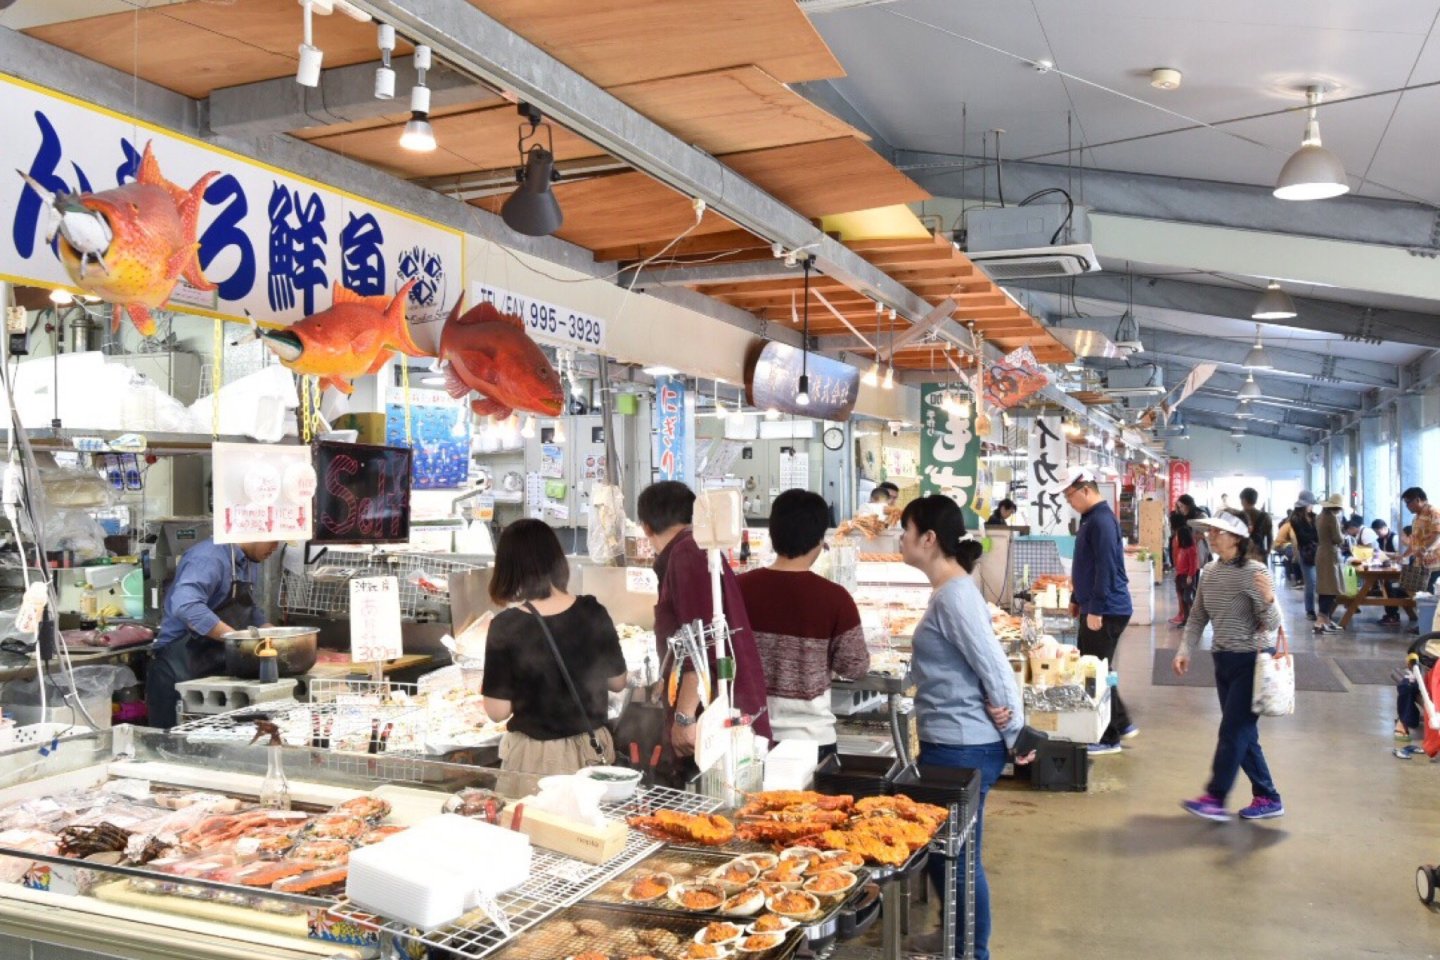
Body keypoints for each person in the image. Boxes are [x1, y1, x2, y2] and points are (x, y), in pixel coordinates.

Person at [900, 494, 1024, 960]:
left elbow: (993, 665)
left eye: (906, 530)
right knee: (944, 854)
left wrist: (1016, 731)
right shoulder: (949, 591)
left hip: (962, 747)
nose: (900, 538)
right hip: (953, 741)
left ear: (928, 539)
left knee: (958, 861)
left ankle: (972, 950)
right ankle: (955, 936)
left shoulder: (954, 596)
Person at [639, 481, 772, 766]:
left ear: (646, 527)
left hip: (710, 711)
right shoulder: (696, 549)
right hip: (720, 700)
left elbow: (700, 640)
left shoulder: (687, 553)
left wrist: (685, 716)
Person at [481, 519, 628, 775]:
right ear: (556, 560)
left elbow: (497, 711)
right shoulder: (593, 611)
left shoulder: (506, 625)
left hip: (535, 760)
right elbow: (618, 682)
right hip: (592, 750)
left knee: (536, 817)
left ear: (508, 568)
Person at [1173, 510, 1285, 822]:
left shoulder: (1255, 571)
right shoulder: (1209, 571)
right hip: (1222, 659)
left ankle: (1215, 797)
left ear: (1235, 538)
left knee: (1233, 730)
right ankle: (1268, 796)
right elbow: (1197, 616)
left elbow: (1274, 624)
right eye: (1208, 532)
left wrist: (1269, 598)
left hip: (1251, 660)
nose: (1210, 536)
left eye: (1217, 532)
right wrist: (1185, 649)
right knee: (1243, 733)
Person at [739, 490, 870, 754]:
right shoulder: (835, 598)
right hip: (811, 739)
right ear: (820, 540)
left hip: (747, 735)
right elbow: (855, 667)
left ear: (772, 534)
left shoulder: (737, 588)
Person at [145, 539, 278, 729]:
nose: (276, 547)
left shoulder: (247, 561)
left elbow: (247, 606)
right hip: (180, 667)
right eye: (273, 541)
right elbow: (186, 606)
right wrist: (236, 639)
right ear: (253, 533)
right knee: (172, 750)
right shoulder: (208, 558)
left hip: (212, 668)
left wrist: (271, 631)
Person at [1063, 467, 1135, 755]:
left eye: (1070, 496)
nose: (1069, 502)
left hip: (1107, 609)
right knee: (1100, 668)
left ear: (1086, 490)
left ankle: (1108, 737)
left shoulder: (1102, 521)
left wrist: (1096, 609)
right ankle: (1121, 722)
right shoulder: (1091, 519)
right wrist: (1076, 597)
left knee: (1094, 672)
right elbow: (1086, 565)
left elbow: (1105, 567)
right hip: (1097, 605)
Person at [1169, 495, 1202, 627]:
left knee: (1189, 594)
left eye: (1181, 506)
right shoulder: (1180, 533)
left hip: (1190, 567)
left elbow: (1193, 557)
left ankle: (1192, 618)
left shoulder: (1198, 518)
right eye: (1178, 507)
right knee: (1182, 594)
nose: (1180, 509)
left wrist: (1190, 574)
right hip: (1181, 568)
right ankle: (1184, 616)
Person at [1315, 494, 1346, 634]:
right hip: (1330, 555)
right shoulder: (1332, 518)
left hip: (1321, 552)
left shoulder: (1320, 516)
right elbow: (1338, 538)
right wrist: (1344, 537)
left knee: (1324, 587)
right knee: (1330, 589)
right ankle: (1321, 620)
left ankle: (1325, 619)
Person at [1402, 487, 1440, 594]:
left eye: (1408, 503)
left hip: (1435, 563)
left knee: (1431, 597)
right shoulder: (1416, 518)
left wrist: (1424, 550)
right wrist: (1404, 555)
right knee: (1417, 595)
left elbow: (1437, 534)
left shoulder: (1433, 512)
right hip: (1420, 563)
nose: (1407, 506)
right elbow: (1414, 541)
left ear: (1417, 500)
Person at [1290, 494, 1321, 622]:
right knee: (1311, 583)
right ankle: (1310, 610)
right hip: (1306, 553)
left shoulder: (1314, 517)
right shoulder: (1295, 519)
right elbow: (1304, 537)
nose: (1311, 506)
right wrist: (1315, 536)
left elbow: (1316, 535)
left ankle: (1322, 610)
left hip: (1318, 552)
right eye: (1310, 504)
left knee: (1319, 582)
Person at [1239, 487, 1273, 557]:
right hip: (1259, 554)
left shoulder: (1238, 516)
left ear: (1243, 500)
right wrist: (1268, 551)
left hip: (1242, 554)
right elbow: (1270, 536)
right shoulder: (1265, 516)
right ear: (1255, 501)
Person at [1273, 514, 1301, 587]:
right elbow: (1293, 538)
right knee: (1295, 555)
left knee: (1293, 551)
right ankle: (1298, 579)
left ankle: (1287, 560)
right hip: (1281, 545)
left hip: (1279, 544)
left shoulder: (1287, 524)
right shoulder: (1291, 525)